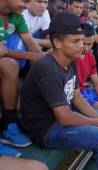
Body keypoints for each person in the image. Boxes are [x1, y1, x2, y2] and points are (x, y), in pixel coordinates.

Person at [21, 12, 98, 170]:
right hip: (47, 130)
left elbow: (77, 98)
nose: (82, 46)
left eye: (82, 40)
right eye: (76, 41)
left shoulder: (71, 61)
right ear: (57, 42)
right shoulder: (47, 69)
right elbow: (64, 117)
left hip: (65, 117)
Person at [0, 0, 43, 151]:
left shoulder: (17, 16)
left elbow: (30, 42)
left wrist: (46, 59)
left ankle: (13, 120)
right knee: (9, 65)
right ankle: (8, 121)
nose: (26, 5)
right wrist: (30, 55)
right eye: (24, 0)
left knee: (43, 61)